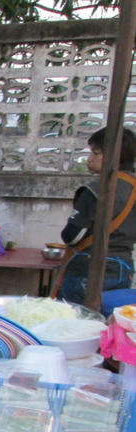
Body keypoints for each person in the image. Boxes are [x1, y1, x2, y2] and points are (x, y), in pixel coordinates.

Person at [59, 127, 136, 305]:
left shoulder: (96, 190)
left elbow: (72, 236)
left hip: (87, 270)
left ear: (113, 156)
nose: (90, 158)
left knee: (75, 324)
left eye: (96, 152)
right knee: (109, 324)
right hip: (122, 269)